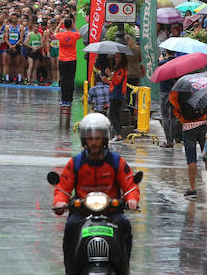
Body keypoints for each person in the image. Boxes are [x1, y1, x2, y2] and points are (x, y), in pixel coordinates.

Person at [51, 113, 139, 275]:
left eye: (97, 138)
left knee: (125, 224)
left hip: (111, 212)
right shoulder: (75, 163)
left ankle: (124, 266)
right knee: (70, 227)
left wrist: (132, 200)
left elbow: (130, 184)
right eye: (90, 138)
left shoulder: (116, 161)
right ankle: (71, 269)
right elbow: (63, 188)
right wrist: (59, 203)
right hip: (81, 212)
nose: (94, 142)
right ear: (84, 140)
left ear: (104, 139)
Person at [54, 18, 81, 106]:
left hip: (62, 60)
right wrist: (74, 26)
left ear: (64, 25)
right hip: (72, 60)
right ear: (71, 25)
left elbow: (54, 34)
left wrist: (59, 25)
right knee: (71, 80)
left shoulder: (61, 35)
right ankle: (69, 100)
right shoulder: (74, 35)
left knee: (64, 80)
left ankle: (64, 100)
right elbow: (79, 34)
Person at [102, 52, 128, 141]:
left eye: (118, 57)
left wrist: (109, 74)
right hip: (114, 93)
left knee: (112, 115)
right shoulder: (117, 69)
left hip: (116, 95)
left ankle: (119, 134)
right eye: (115, 57)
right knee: (115, 115)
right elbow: (114, 83)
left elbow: (117, 81)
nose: (116, 59)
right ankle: (118, 134)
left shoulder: (121, 70)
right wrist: (107, 81)